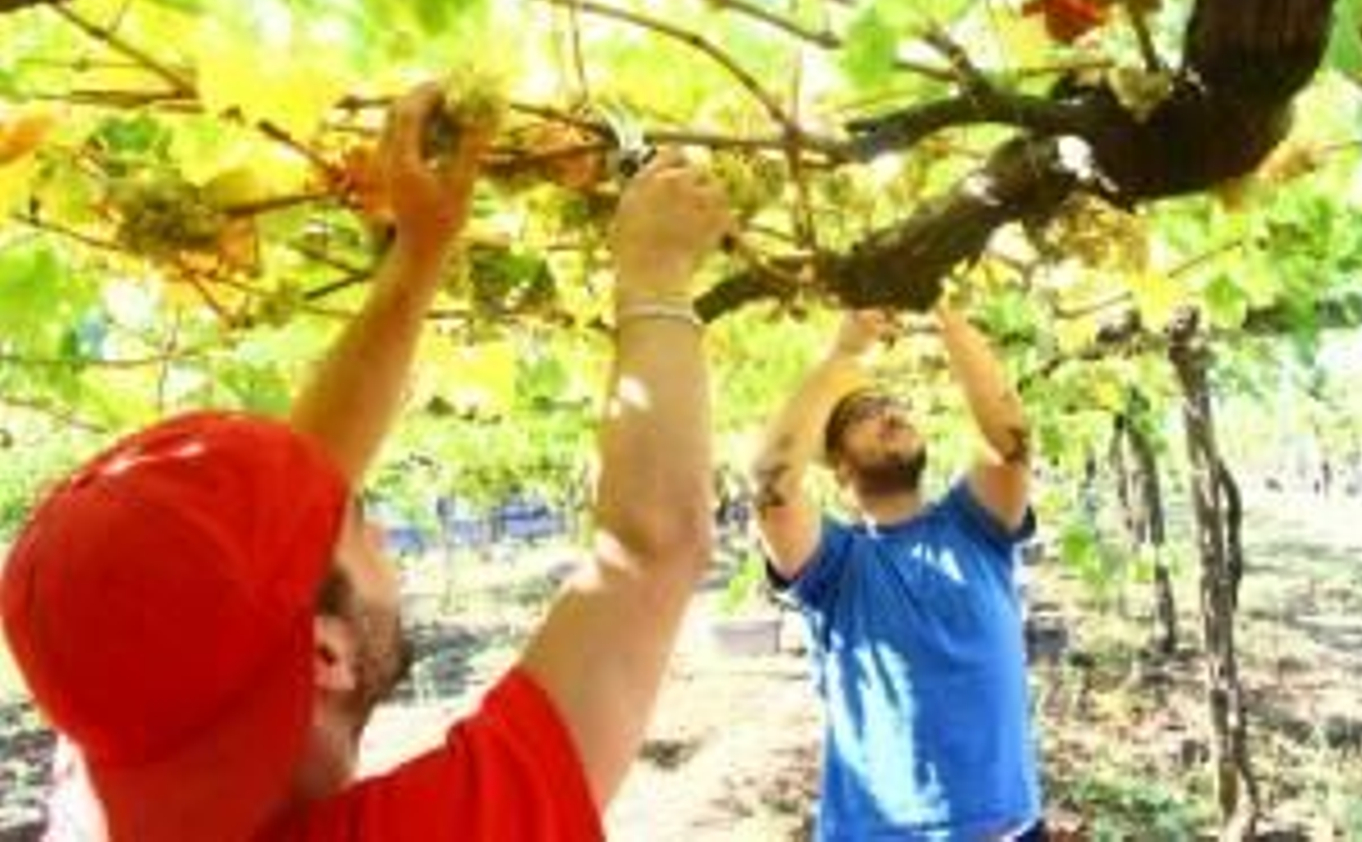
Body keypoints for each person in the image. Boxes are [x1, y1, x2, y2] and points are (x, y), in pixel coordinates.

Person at [1, 83, 732, 840]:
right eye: (359, 518)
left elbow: (265, 526)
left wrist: (420, 254)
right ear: (324, 650)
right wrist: (655, 277)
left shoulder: (122, 751)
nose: (376, 521)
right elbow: (652, 546)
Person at [753, 306, 1045, 841]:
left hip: (1008, 830)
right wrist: (843, 356)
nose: (889, 413)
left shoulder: (974, 526)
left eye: (893, 404)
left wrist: (952, 321)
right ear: (840, 467)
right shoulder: (835, 567)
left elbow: (1013, 443)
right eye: (865, 414)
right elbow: (773, 489)